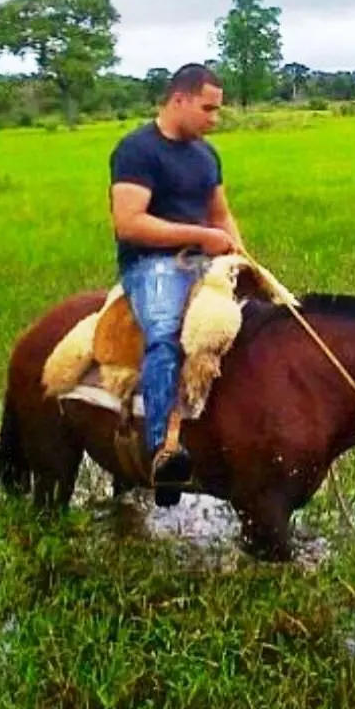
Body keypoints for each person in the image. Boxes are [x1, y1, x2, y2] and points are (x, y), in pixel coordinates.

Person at [108, 63, 244, 491]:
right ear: (179, 100)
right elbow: (128, 223)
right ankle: (160, 451)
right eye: (208, 108)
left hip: (205, 261)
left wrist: (240, 255)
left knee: (258, 321)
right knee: (165, 335)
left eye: (217, 110)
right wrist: (201, 235)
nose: (214, 119)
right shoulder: (137, 150)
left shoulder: (206, 154)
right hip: (152, 264)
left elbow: (221, 213)